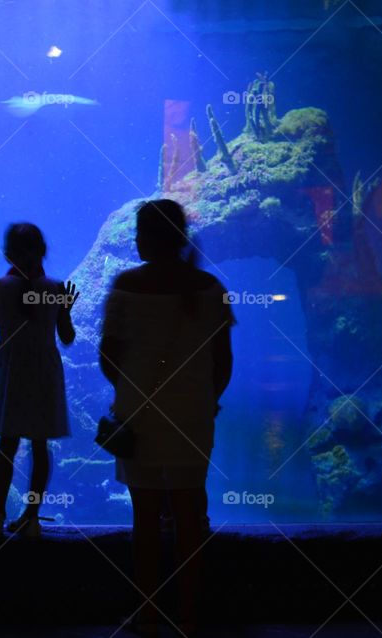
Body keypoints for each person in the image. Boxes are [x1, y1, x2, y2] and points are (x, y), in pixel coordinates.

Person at [99, 199, 233, 637]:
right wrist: (204, 398)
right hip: (193, 414)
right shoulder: (209, 289)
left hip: (139, 415)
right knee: (190, 515)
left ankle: (149, 611)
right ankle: (190, 614)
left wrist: (133, 391)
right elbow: (223, 361)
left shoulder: (125, 286)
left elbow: (108, 358)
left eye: (139, 232)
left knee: (146, 518)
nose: (135, 240)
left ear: (148, 237)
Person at [0, 223, 76, 538]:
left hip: (12, 372)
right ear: (43, 251)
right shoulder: (56, 288)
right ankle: (31, 516)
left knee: (6, 446)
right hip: (44, 373)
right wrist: (65, 309)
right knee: (40, 445)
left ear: (7, 253)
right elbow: (67, 337)